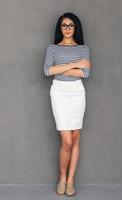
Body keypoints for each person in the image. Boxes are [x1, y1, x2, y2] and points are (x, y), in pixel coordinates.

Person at [43, 12, 92, 196]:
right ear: (60, 28)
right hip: (59, 92)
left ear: (76, 28)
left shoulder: (83, 48)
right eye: (64, 25)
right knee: (67, 140)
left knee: (76, 137)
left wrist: (61, 69)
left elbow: (85, 74)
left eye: (71, 25)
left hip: (77, 93)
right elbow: (48, 71)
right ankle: (62, 177)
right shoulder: (53, 49)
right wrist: (76, 65)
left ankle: (70, 181)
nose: (68, 28)